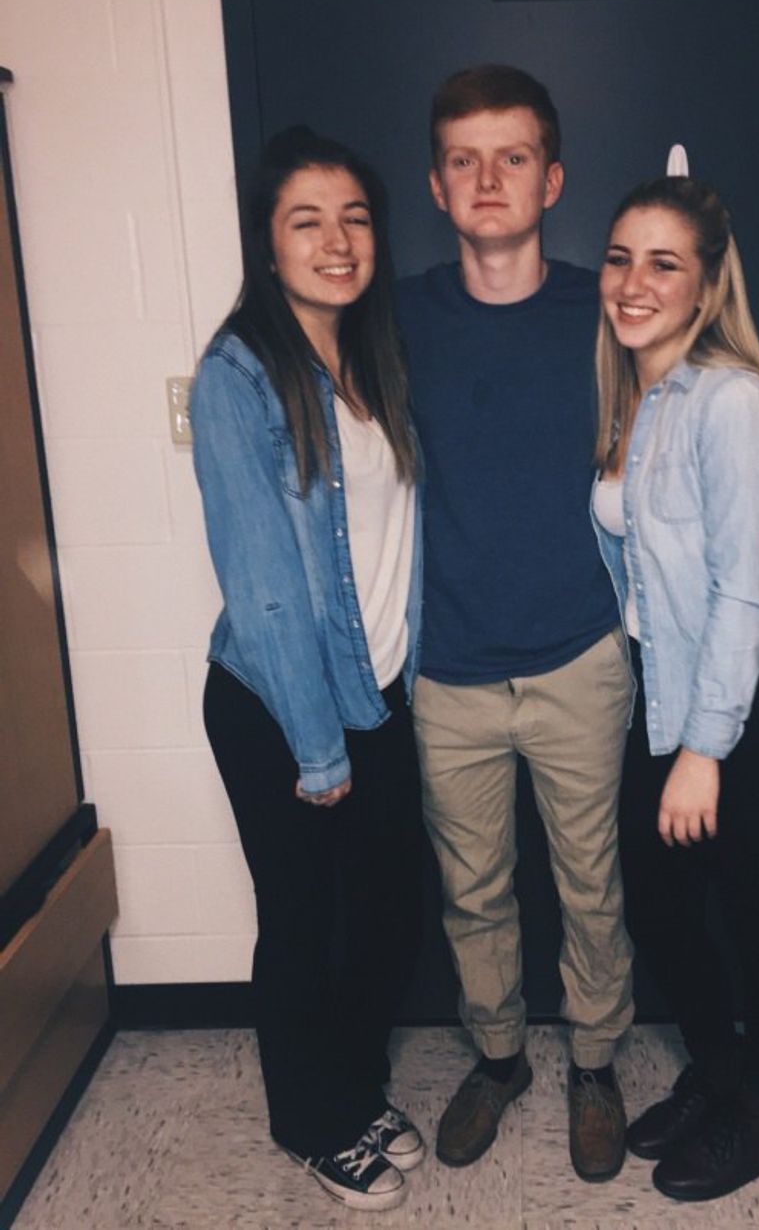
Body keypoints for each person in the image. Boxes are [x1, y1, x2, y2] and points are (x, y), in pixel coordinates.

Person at [396, 66, 759, 1183]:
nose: (488, 178)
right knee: (472, 890)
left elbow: (714, 414)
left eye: (513, 156)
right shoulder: (400, 317)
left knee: (596, 887)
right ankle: (497, 1059)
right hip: (449, 667)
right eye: (464, 159)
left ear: (551, 180)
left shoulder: (610, 308)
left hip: (583, 661)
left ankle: (592, 1065)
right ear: (435, 185)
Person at [592, 176, 759, 1202]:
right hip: (674, 699)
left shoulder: (731, 402)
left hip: (758, 714)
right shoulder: (637, 398)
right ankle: (720, 1072)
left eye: (664, 263)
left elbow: (744, 592)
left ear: (704, 285)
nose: (633, 282)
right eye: (619, 258)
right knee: (661, 910)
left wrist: (704, 750)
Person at [191, 127, 425, 1213]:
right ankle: (310, 1120)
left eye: (355, 218)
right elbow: (266, 587)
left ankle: (355, 1089)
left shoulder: (376, 355)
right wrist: (317, 747)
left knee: (379, 912)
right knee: (302, 920)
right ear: (268, 241)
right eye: (307, 220)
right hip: (279, 706)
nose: (337, 241)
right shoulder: (237, 376)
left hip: (376, 691)